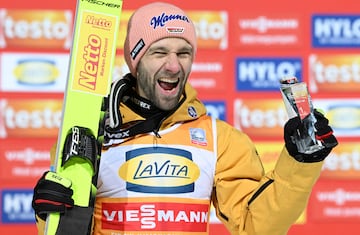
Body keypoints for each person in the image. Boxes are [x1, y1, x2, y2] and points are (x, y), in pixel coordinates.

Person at [32, 2, 338, 235]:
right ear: (135, 61)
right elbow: (67, 224)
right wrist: (49, 210)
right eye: (159, 52)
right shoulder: (90, 133)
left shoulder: (221, 139)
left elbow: (256, 224)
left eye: (184, 53)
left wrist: (301, 162)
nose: (174, 66)